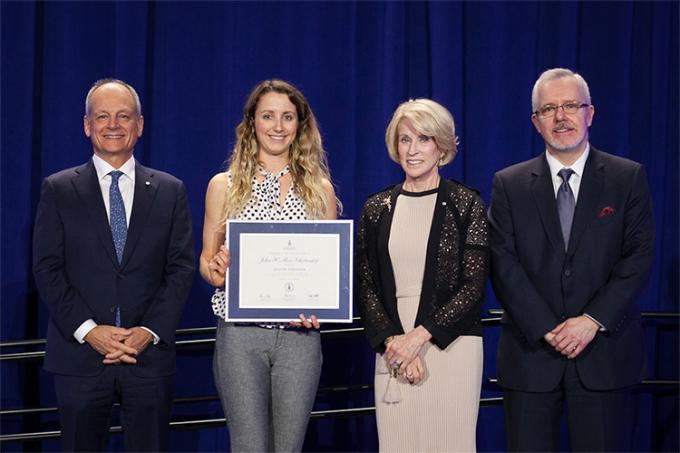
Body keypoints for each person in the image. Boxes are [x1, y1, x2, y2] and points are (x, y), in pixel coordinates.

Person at [489, 68, 655, 451]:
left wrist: (591, 321)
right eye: (548, 109)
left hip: (604, 357)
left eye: (570, 106)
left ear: (590, 113)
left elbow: (638, 257)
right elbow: (503, 262)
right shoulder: (508, 184)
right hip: (531, 358)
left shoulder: (627, 178)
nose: (560, 117)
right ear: (535, 122)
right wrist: (547, 327)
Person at [32, 79, 195, 451]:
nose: (113, 125)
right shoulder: (58, 189)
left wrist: (148, 331)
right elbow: (47, 268)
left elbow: (181, 269)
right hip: (80, 359)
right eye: (102, 116)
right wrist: (90, 330)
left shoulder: (170, 191)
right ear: (87, 125)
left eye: (123, 116)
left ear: (139, 125)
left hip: (147, 357)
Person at [199, 79, 338, 452]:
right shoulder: (224, 185)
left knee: (289, 447)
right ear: (252, 124)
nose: (278, 126)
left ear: (300, 126)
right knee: (250, 447)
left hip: (300, 337)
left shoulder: (319, 188)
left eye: (287, 117)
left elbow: (327, 267)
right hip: (241, 335)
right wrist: (216, 270)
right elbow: (207, 261)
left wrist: (320, 307)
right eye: (268, 116)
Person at [357, 99, 488, 452]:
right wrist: (394, 344)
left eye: (424, 139)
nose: (412, 150)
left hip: (451, 347)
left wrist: (419, 338)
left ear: (442, 145)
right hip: (393, 349)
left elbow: (473, 286)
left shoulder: (467, 204)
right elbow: (366, 284)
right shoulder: (376, 208)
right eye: (404, 140)